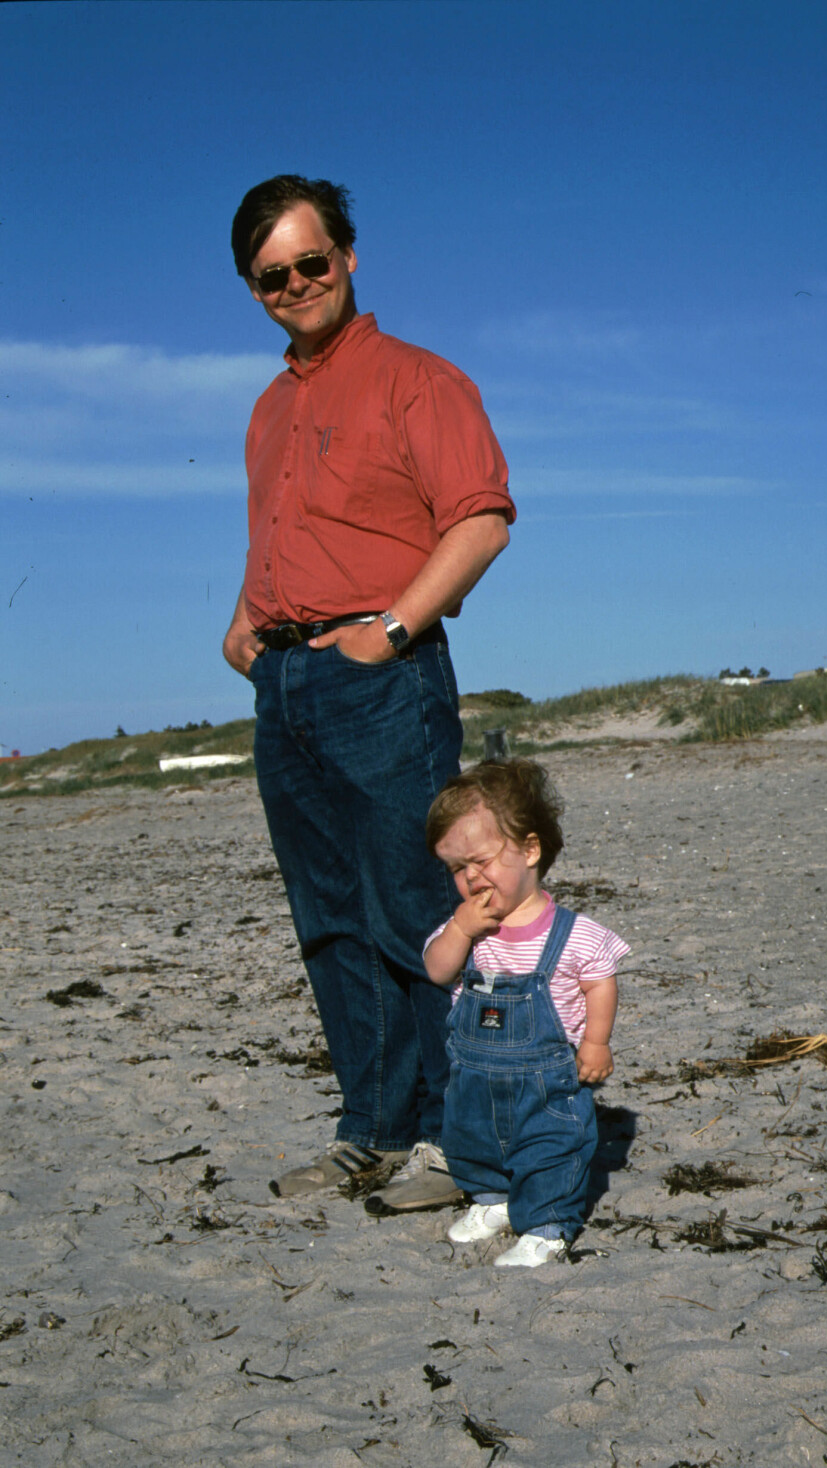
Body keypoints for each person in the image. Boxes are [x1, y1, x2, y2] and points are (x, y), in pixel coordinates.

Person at [222, 175, 515, 1212]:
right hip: (288, 686)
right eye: (273, 275)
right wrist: (248, 623)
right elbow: (287, 535)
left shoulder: (416, 379)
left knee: (418, 906)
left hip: (383, 679)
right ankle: (373, 1131)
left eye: (312, 261)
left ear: (347, 255)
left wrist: (389, 632)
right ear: (253, 289)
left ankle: (452, 1137)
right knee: (329, 919)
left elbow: (480, 518)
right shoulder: (268, 409)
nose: (297, 284)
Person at [423, 759, 629, 1266]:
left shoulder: (572, 932)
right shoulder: (466, 930)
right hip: (475, 1075)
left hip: (548, 1080)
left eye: (480, 860)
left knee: (549, 1147)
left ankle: (547, 1223)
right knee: (471, 1138)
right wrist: (460, 929)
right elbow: (436, 970)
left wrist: (596, 1042)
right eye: (455, 868)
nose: (470, 877)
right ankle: (492, 1199)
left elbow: (599, 980)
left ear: (530, 849)